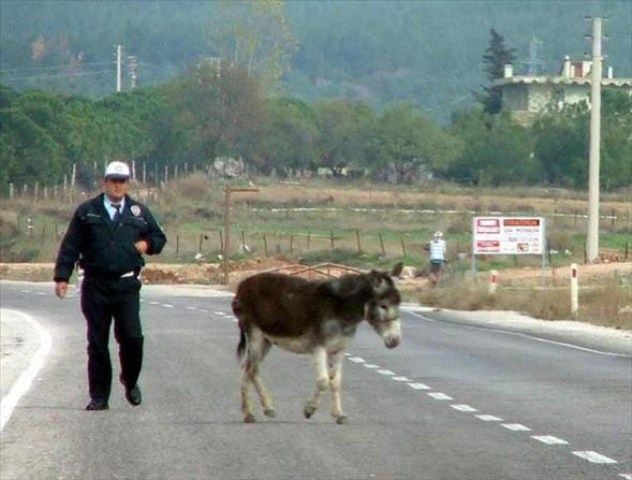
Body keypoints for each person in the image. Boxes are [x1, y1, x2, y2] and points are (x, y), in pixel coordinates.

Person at [54, 161, 167, 411]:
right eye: (113, 180)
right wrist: (62, 276)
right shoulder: (87, 212)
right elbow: (71, 245)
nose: (118, 185)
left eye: (122, 181)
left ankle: (130, 379)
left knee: (132, 337)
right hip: (95, 285)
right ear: (105, 182)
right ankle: (99, 396)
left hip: (126, 285)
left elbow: (159, 237)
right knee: (97, 342)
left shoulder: (138, 212)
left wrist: (147, 245)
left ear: (128, 184)